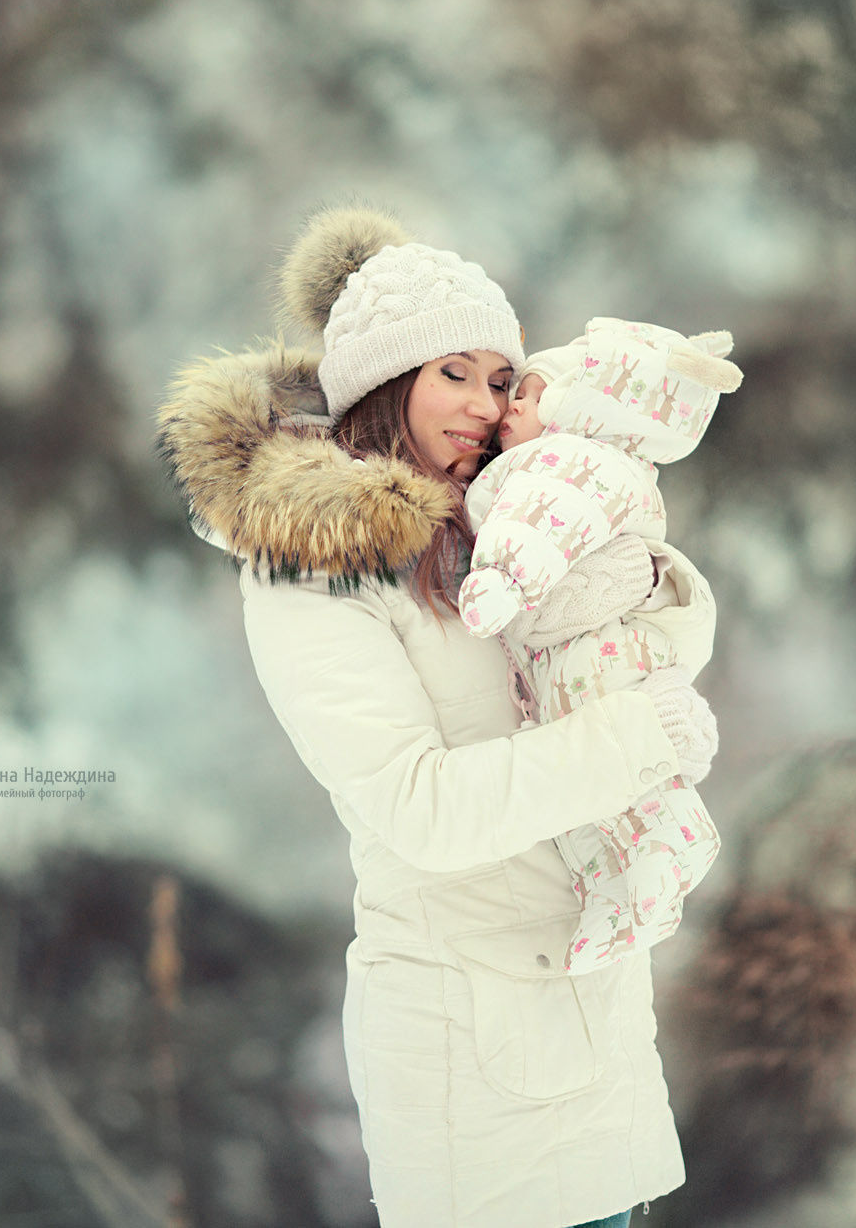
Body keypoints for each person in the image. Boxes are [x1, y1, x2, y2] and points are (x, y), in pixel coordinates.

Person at [156, 205, 719, 1228]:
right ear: (383, 383)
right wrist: (636, 741)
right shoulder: (310, 569)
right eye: (448, 372)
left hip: (590, 1029)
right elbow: (418, 808)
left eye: (499, 378)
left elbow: (603, 654)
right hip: (472, 1060)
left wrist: (642, 576)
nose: (479, 401)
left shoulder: (494, 521)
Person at [458, 317, 743, 975]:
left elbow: (546, 528)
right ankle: (617, 901)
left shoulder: (570, 464)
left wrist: (502, 578)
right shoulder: (582, 461)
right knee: (589, 799)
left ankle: (664, 864)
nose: (509, 409)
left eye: (526, 394)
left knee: (622, 787)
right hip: (576, 666)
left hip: (601, 663)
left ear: (574, 409)